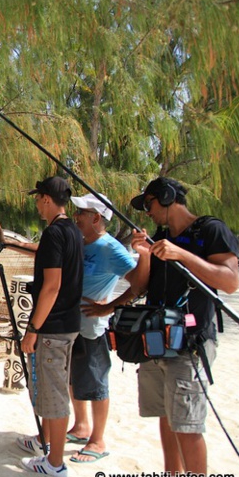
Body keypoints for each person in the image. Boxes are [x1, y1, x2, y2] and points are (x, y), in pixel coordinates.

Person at [123, 177, 239, 477]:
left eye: (149, 204)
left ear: (167, 196)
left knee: (187, 426)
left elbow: (230, 282)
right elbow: (140, 287)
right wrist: (145, 254)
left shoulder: (210, 230)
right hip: (156, 341)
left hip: (190, 344)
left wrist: (181, 255)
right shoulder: (159, 237)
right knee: (166, 415)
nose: (147, 212)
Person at [66, 193, 149, 463]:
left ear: (96, 218)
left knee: (95, 381)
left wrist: (109, 307)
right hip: (72, 324)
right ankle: (81, 427)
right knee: (74, 378)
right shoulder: (82, 242)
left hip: (93, 326)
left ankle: (98, 440)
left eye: (81, 213)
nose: (76, 217)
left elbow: (138, 282)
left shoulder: (109, 248)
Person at [13, 176, 83, 477]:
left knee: (54, 394)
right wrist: (12, 244)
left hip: (53, 327)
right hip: (68, 323)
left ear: (45, 199)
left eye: (37, 199)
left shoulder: (55, 233)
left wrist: (33, 329)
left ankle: (55, 462)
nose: (36, 205)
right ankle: (46, 441)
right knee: (53, 389)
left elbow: (51, 287)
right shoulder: (72, 230)